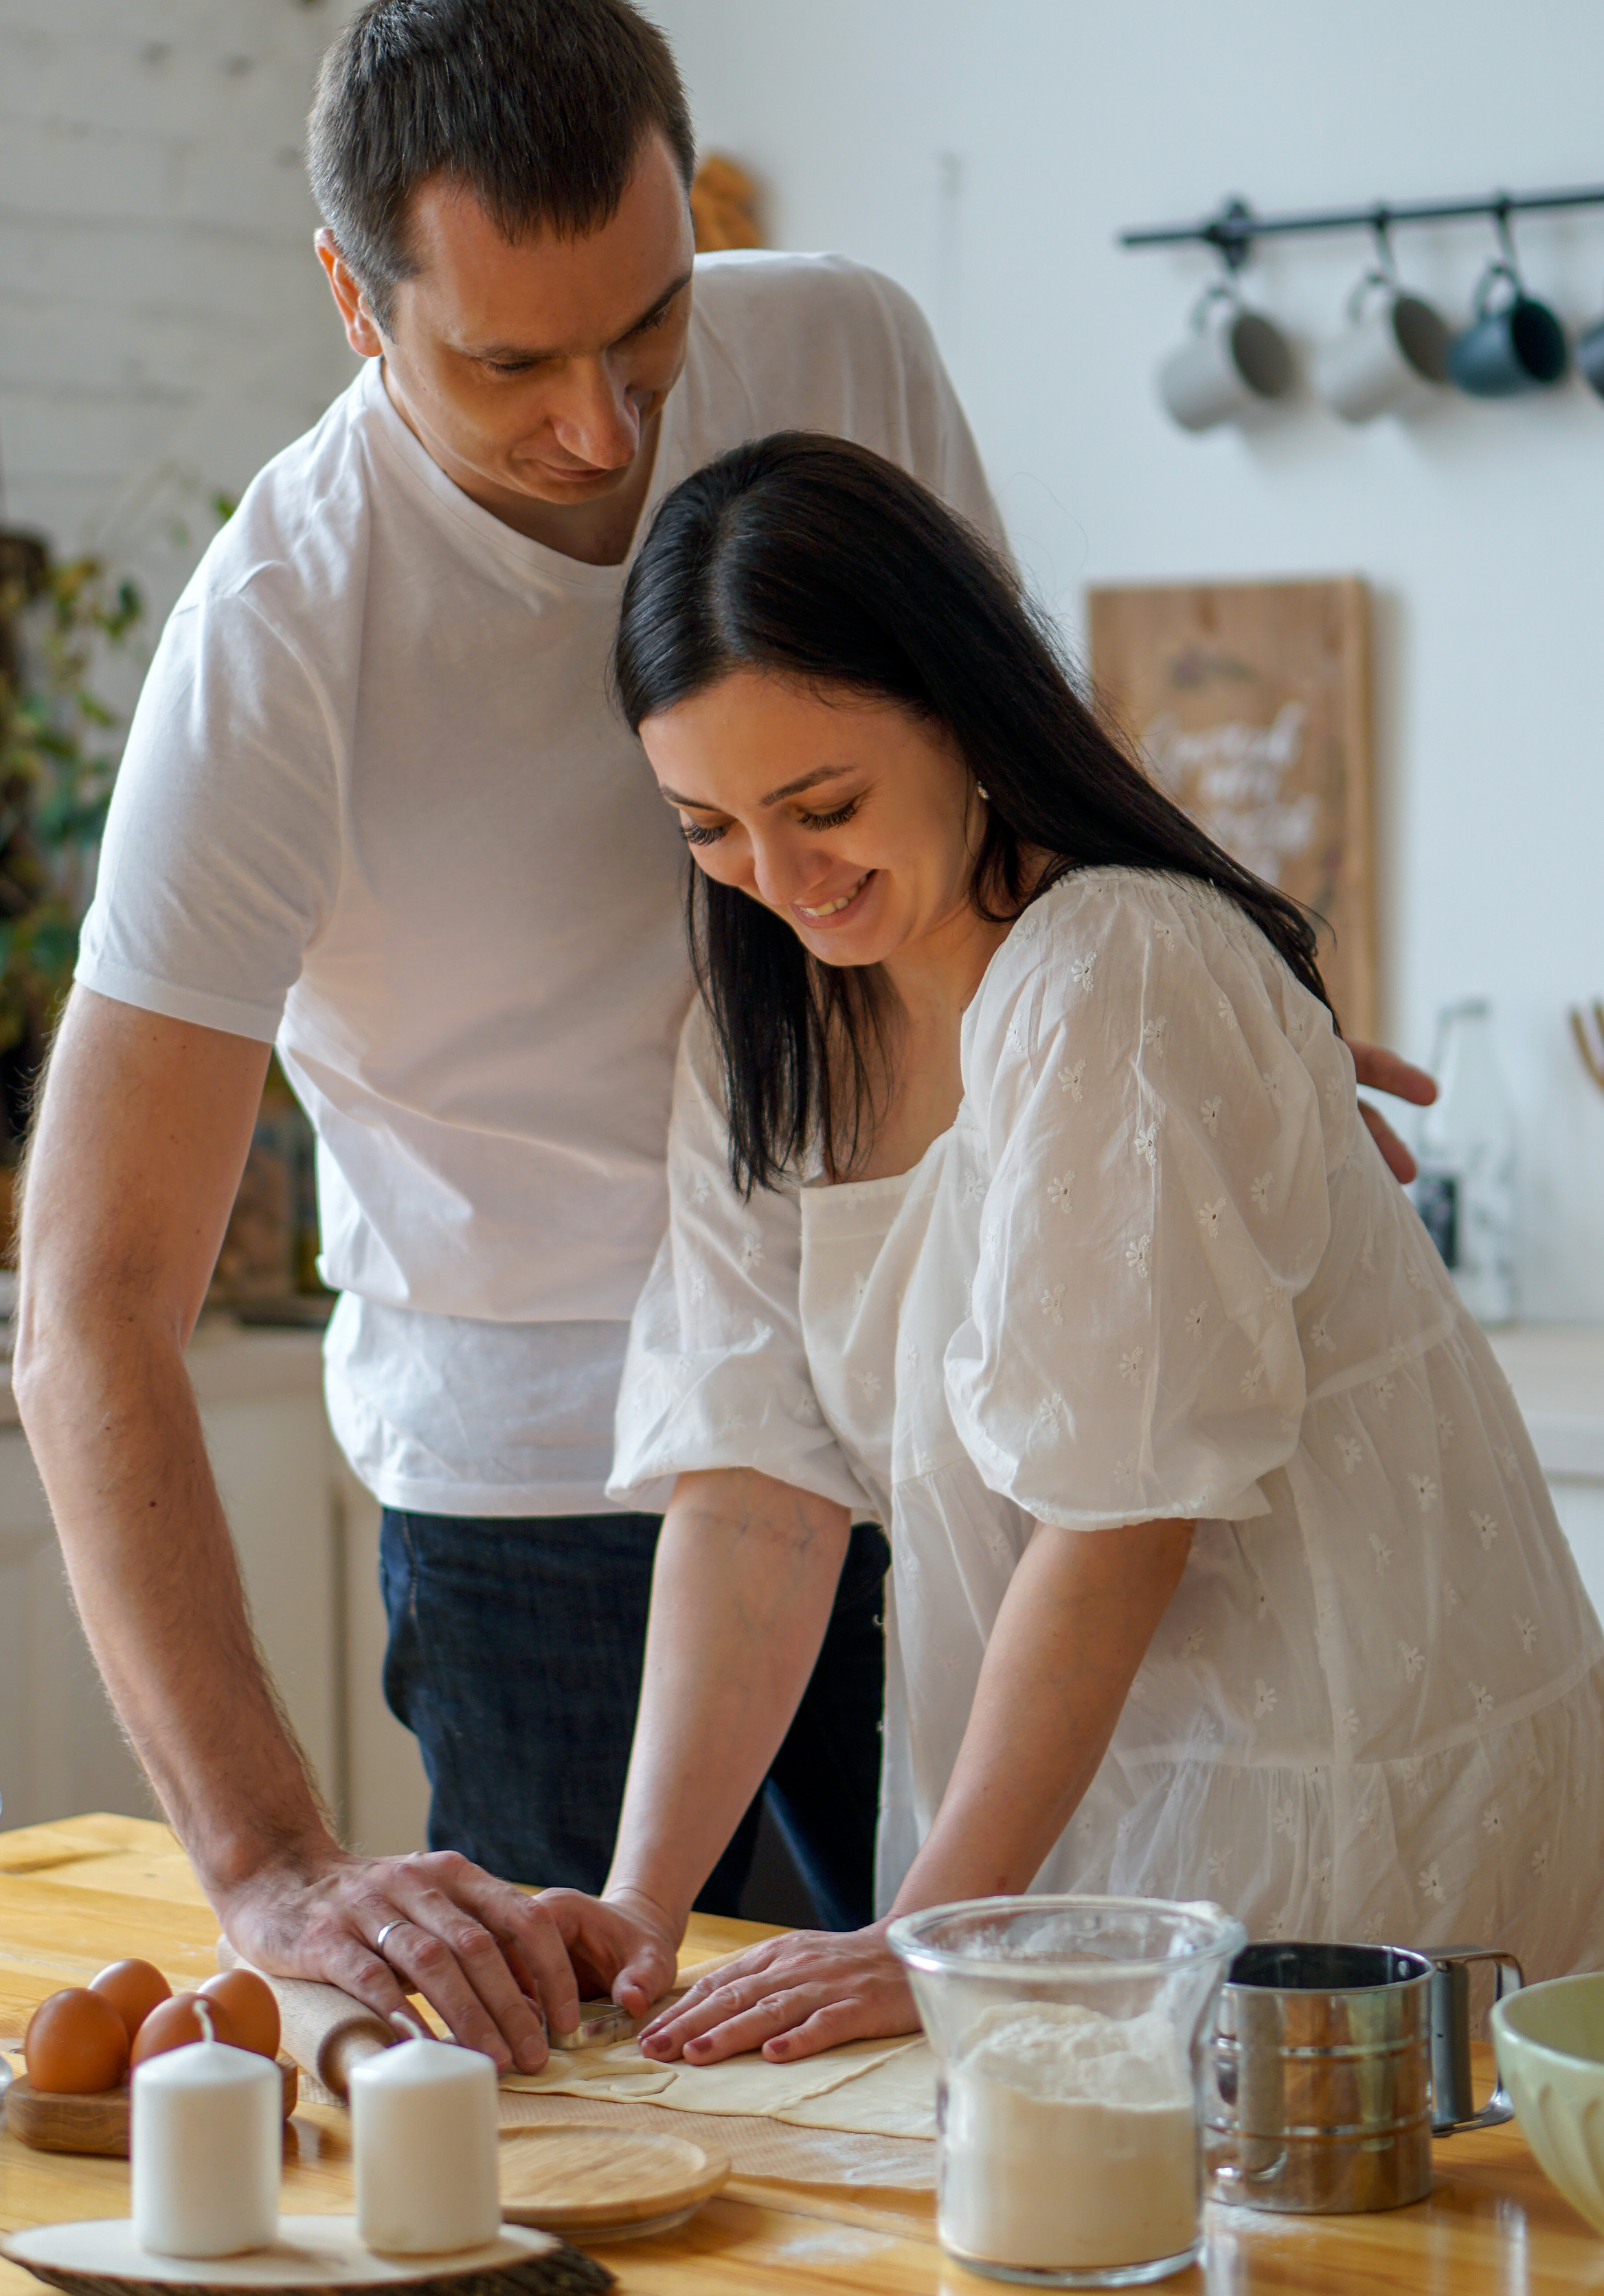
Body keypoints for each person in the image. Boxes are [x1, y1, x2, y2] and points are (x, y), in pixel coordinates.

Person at [14, 0, 1011, 2072]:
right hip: (558, 1497)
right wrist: (273, 1865)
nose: (607, 427)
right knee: (590, 2139)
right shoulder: (279, 644)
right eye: (514, 365)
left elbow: (994, 795)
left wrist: (1203, 1000)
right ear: (355, 301)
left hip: (934, 1382)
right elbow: (90, 1305)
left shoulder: (840, 344)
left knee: (999, 2067)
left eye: (652, 326)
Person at [552, 431, 1604, 2067]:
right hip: (1051, 1793)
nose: (778, 881)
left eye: (821, 806)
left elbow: (1118, 1522)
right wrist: (637, 1913)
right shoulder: (760, 1039)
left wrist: (928, 1934)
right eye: (708, 828)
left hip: (1322, 1778)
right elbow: (753, 1496)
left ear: (960, 711)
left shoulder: (1111, 970)